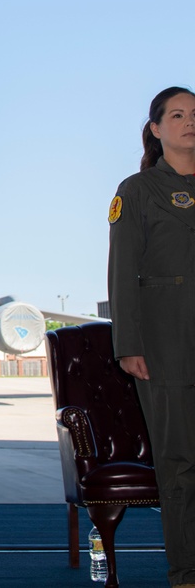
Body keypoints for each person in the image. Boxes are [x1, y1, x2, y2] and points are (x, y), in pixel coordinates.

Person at [109, 86, 195, 588]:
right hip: (166, 347)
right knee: (180, 462)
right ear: (156, 129)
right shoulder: (136, 191)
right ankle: (186, 571)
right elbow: (123, 273)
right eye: (178, 115)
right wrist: (129, 345)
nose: (189, 122)